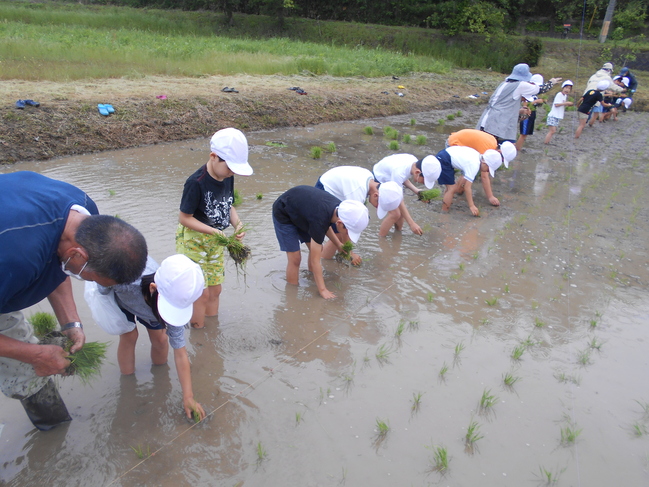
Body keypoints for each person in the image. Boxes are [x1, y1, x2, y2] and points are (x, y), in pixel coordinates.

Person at [0, 171, 148, 431]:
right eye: (92, 279)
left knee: (24, 369)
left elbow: (58, 265)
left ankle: (53, 431)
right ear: (78, 254)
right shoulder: (15, 257)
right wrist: (35, 354)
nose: (88, 282)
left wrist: (71, 323)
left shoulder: (84, 213)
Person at [88, 254, 207, 421]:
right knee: (130, 335)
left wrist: (188, 397)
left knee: (160, 339)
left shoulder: (177, 298)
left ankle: (160, 374)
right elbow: (101, 286)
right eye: (168, 310)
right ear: (153, 288)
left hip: (151, 309)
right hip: (123, 301)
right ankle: (128, 384)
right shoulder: (125, 280)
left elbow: (180, 352)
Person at [176, 128, 253, 329]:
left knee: (215, 289)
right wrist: (213, 231)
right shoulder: (196, 183)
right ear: (213, 157)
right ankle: (198, 330)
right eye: (229, 167)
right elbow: (184, 218)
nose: (232, 172)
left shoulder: (228, 176)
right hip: (194, 240)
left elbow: (227, 206)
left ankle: (212, 329)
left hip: (216, 240)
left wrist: (238, 223)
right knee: (200, 292)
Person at [272, 185, 369, 300]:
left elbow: (326, 225)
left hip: (303, 213)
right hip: (284, 212)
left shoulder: (340, 209)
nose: (347, 235)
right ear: (339, 223)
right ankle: (292, 294)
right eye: (348, 232)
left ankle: (311, 275)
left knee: (319, 249)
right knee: (295, 258)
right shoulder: (321, 218)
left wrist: (339, 244)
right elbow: (315, 259)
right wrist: (323, 290)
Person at [316, 166, 403, 259]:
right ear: (376, 195)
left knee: (342, 231)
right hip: (325, 189)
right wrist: (350, 252)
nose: (377, 207)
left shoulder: (371, 179)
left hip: (336, 187)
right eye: (378, 205)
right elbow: (347, 224)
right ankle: (324, 260)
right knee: (338, 233)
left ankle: (336, 254)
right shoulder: (356, 193)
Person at [372, 154, 441, 236]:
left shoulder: (413, 162)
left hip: (390, 178)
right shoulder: (399, 172)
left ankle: (397, 234)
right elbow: (399, 201)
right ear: (417, 172)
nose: (424, 183)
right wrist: (411, 224)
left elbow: (403, 178)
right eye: (424, 181)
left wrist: (417, 191)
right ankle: (381, 239)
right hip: (378, 179)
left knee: (401, 214)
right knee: (395, 214)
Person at [476, 63, 539, 143]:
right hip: (496, 124)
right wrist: (551, 82)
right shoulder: (520, 85)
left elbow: (504, 105)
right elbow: (538, 89)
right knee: (495, 149)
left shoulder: (504, 84)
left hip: (487, 120)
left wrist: (518, 112)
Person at [433, 146, 504, 215]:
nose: (487, 171)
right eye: (488, 169)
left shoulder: (477, 156)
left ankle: (445, 205)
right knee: (452, 188)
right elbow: (467, 187)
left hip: (445, 154)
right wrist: (471, 206)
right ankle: (444, 212)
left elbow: (465, 181)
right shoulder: (475, 165)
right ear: (485, 163)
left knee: (450, 187)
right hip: (444, 160)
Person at [447, 129, 518, 165]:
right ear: (499, 152)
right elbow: (484, 174)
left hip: (456, 137)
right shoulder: (486, 150)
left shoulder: (493, 141)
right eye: (502, 160)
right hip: (453, 143)